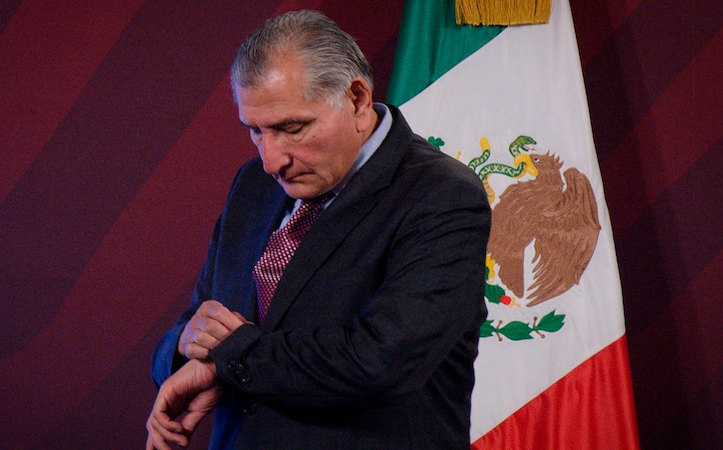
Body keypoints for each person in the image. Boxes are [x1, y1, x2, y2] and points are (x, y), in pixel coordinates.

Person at [146, 9, 490, 450]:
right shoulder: (252, 185)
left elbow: (377, 363)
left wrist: (229, 355)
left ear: (357, 100)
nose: (271, 161)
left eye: (292, 128)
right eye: (255, 131)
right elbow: (201, 323)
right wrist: (185, 347)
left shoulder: (442, 196)